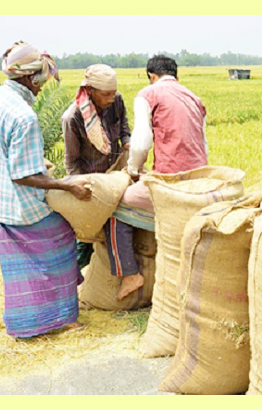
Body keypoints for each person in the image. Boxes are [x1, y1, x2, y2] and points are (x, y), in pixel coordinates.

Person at [0, 40, 93, 338]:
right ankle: (64, 319)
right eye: (40, 81)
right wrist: (67, 184)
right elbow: (23, 176)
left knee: (18, 268)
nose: (41, 87)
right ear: (27, 77)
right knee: (62, 241)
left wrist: (7, 158)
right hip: (24, 208)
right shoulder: (24, 116)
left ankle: (27, 323)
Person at [111, 55, 208, 301]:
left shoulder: (148, 94)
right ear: (176, 76)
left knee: (115, 206)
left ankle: (130, 274)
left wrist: (133, 170)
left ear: (151, 76)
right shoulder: (195, 98)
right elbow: (203, 146)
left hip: (170, 182)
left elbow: (141, 142)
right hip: (200, 181)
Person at [61, 64, 131, 270]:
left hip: (115, 175)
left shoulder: (116, 101)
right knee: (88, 236)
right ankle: (75, 277)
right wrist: (81, 187)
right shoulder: (72, 118)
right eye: (105, 95)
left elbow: (125, 126)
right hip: (91, 181)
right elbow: (71, 162)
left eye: (113, 94)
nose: (110, 99)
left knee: (118, 227)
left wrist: (127, 141)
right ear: (90, 91)